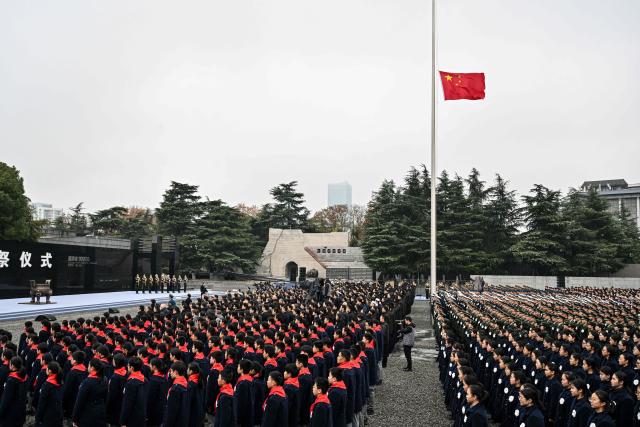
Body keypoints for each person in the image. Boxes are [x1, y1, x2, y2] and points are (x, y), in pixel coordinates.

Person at [72, 359, 108, 427]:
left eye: (88, 365)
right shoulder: (104, 379)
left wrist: (75, 418)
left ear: (92, 368)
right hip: (101, 412)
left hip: (88, 414)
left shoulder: (87, 382)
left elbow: (79, 401)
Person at [0, 356, 28, 427]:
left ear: (12, 365)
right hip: (20, 411)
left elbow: (6, 399)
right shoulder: (24, 377)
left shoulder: (12, 380)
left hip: (10, 414)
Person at [119, 357, 146, 427]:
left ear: (132, 368)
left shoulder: (131, 383)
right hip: (141, 417)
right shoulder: (145, 380)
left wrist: (123, 421)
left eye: (128, 366)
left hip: (132, 419)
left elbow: (127, 404)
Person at [35, 361, 63, 427]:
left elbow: (41, 403)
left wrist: (38, 419)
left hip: (47, 416)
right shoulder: (59, 382)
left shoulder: (47, 385)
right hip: (57, 415)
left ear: (50, 371)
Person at [164, 361, 190, 427]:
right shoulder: (186, 384)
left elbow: (172, 411)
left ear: (176, 372)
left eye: (171, 371)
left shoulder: (175, 389)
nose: (170, 373)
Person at [105, 353, 127, 426]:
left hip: (115, 408)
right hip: (123, 405)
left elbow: (112, 396)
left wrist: (107, 408)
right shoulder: (126, 373)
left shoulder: (115, 377)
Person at [235, 359, 255, 427]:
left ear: (241, 369)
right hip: (248, 413)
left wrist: (238, 418)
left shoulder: (243, 384)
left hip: (243, 416)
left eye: (238, 367)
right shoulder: (250, 380)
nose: (237, 368)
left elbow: (241, 403)